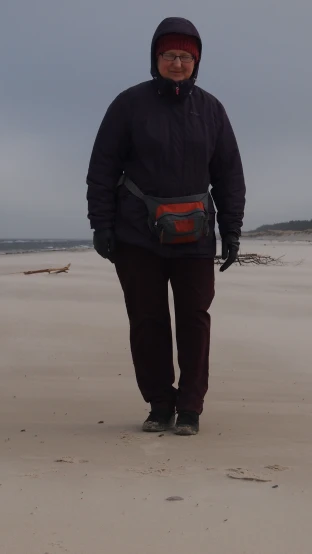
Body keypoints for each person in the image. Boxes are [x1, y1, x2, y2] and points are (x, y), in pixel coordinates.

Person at [85, 17, 246, 436]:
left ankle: (190, 408)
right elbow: (102, 168)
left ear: (197, 62)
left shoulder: (212, 110)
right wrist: (101, 224)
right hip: (137, 235)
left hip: (195, 235)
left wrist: (231, 230)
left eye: (186, 57)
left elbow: (229, 174)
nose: (177, 63)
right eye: (169, 55)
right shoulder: (128, 105)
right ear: (155, 58)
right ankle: (160, 405)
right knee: (147, 321)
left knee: (194, 319)